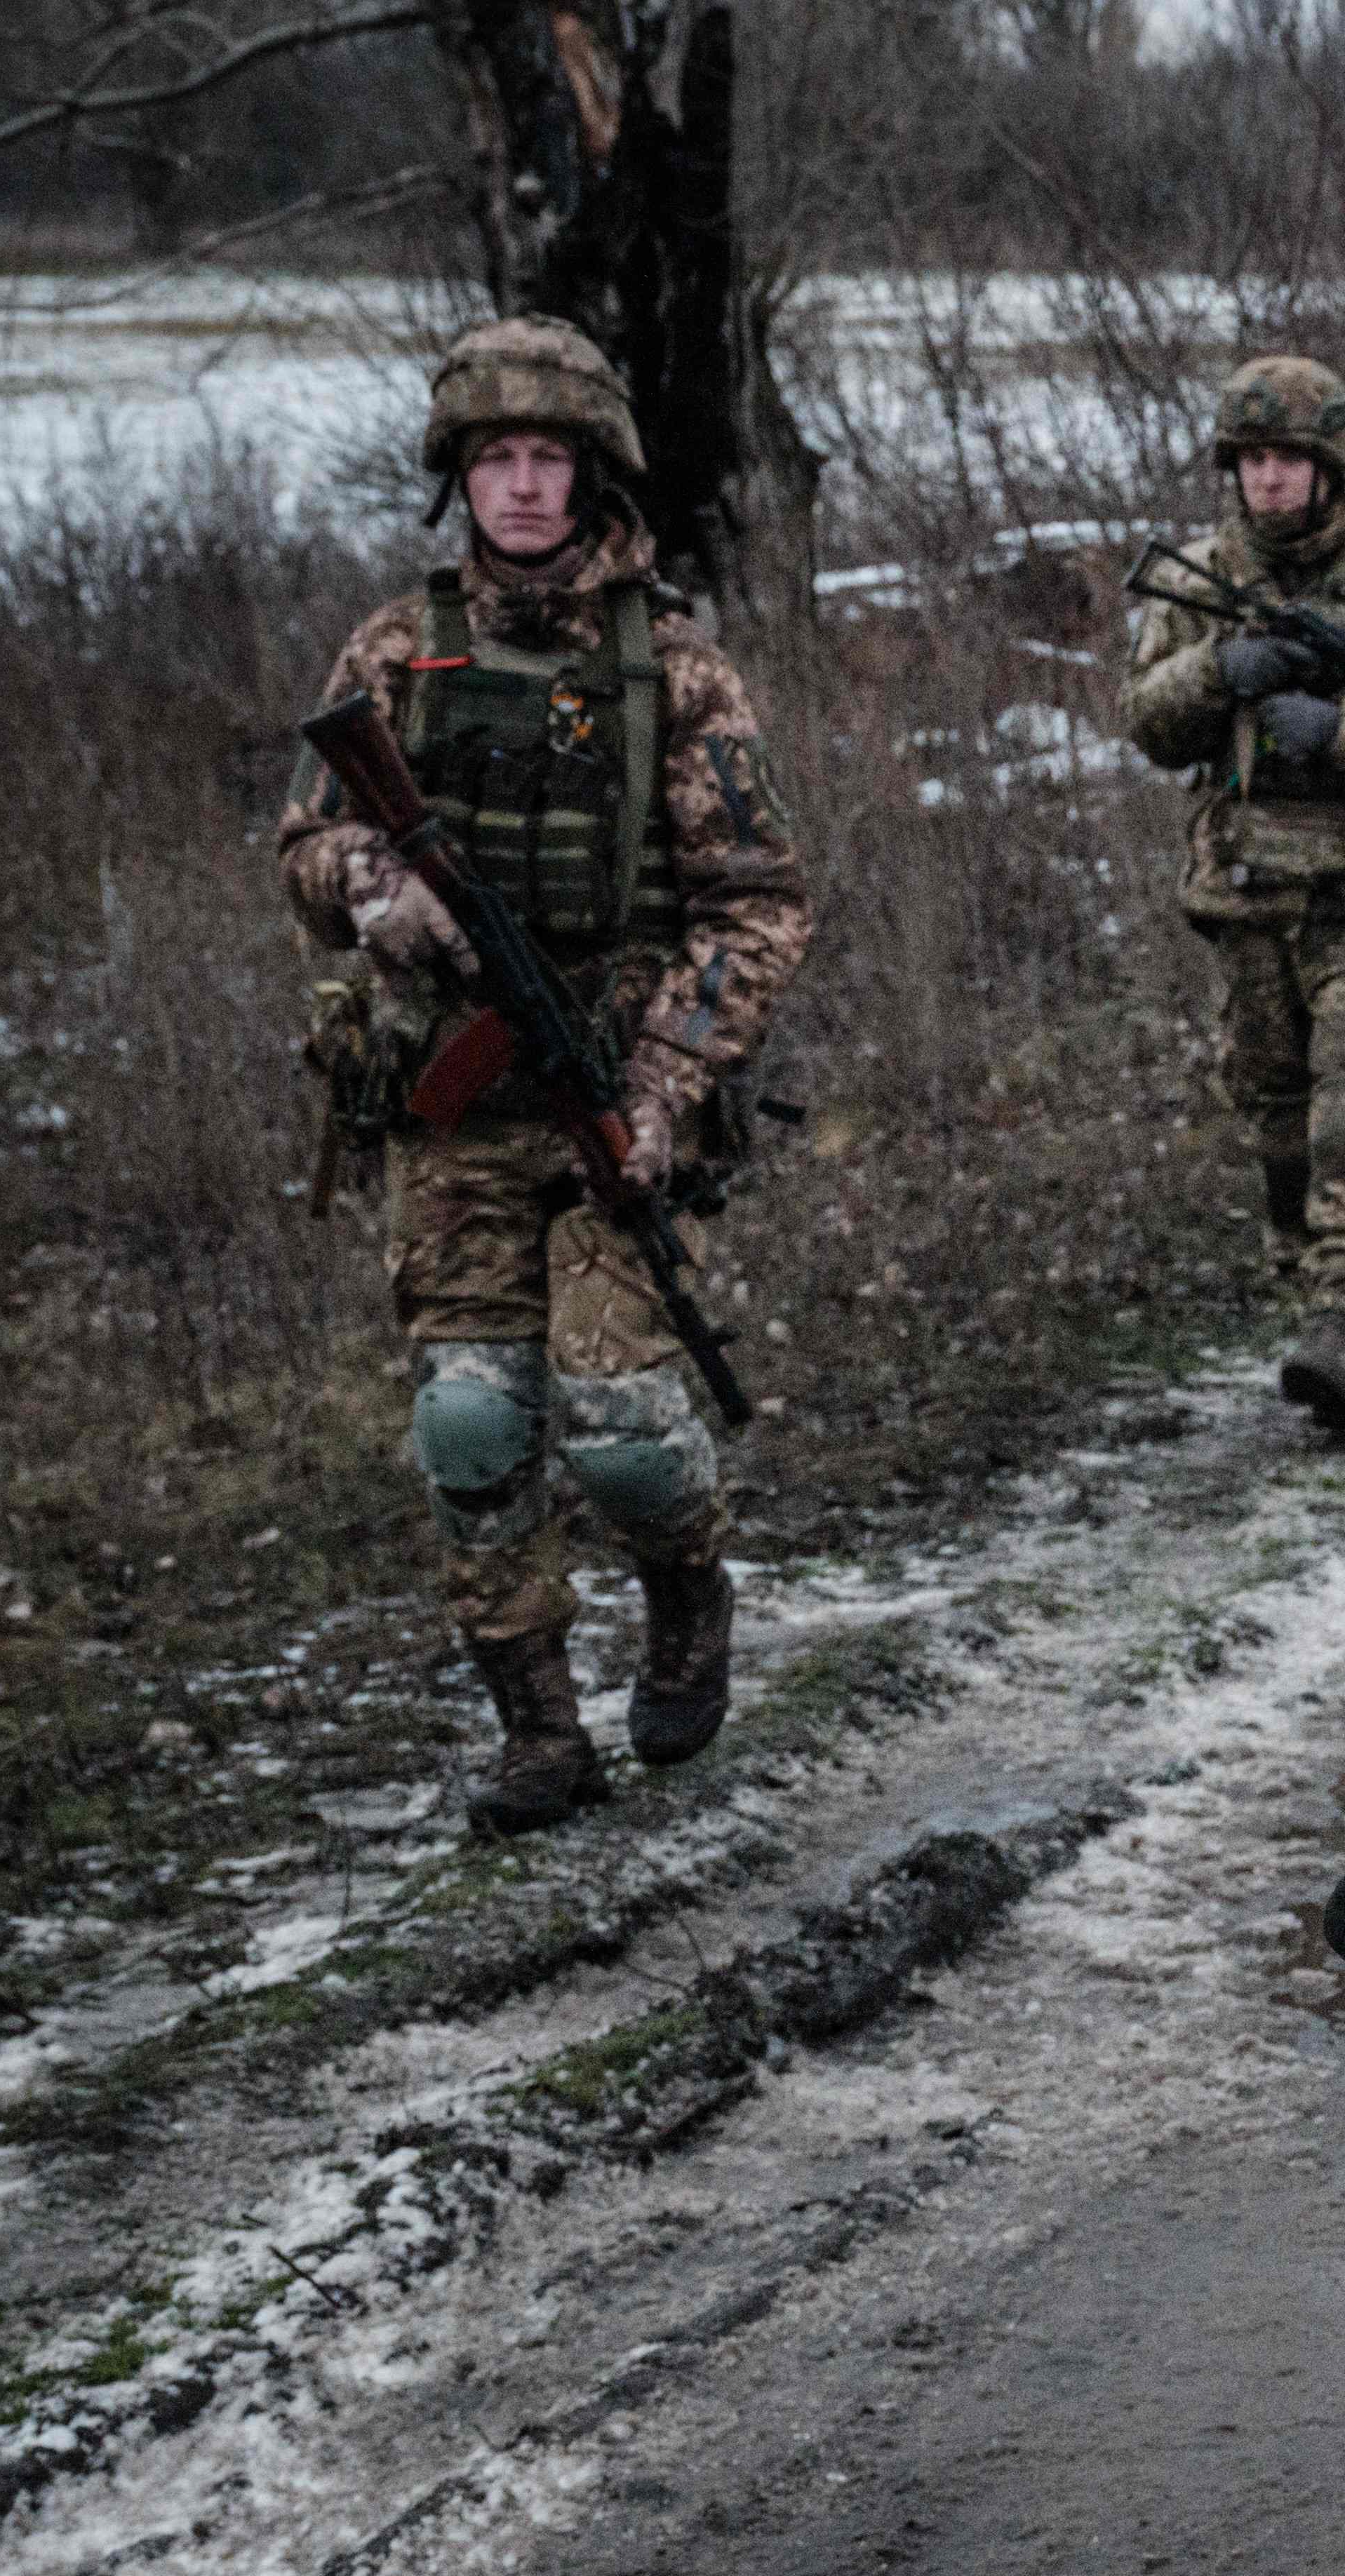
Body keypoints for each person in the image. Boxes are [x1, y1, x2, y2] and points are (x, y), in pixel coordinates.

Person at [276, 318, 810, 1834]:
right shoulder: (396, 650)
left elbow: (761, 900)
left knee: (627, 1422)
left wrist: (656, 1087)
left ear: (594, 473)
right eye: (494, 459)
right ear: (461, 477)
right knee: (471, 1425)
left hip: (615, 1111)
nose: (521, 485)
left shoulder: (675, 668)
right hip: (446, 1115)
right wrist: (378, 887)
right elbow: (303, 843)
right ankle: (538, 1731)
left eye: (548, 457)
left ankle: (688, 1595)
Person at [1123, 355, 1345, 1435]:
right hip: (1247, 889)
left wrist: (1344, 730)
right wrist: (1218, 674)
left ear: (1333, 470)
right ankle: (1315, 1290)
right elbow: (1146, 720)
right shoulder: (1197, 578)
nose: (1270, 481)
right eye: (1254, 461)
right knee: (1277, 1121)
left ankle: (1344, 1326)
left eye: (1290, 461)